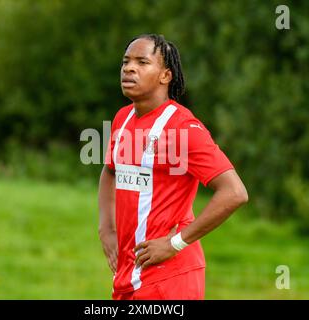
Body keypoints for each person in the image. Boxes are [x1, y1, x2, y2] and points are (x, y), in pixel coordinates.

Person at [98, 34, 248, 300]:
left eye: (142, 62)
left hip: (170, 277)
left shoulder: (183, 128)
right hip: (128, 274)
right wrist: (107, 229)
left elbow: (234, 192)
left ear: (165, 76)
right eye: (126, 62)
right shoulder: (123, 118)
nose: (129, 68)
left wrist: (175, 242)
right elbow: (110, 171)